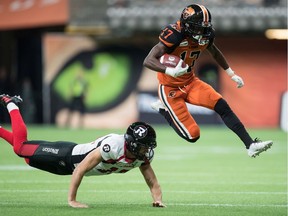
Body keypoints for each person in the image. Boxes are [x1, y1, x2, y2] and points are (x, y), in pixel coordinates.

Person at [143, 4, 272, 158]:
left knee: (222, 106)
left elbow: (215, 52)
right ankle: (163, 109)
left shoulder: (206, 35)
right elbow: (148, 60)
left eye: (203, 27)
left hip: (191, 82)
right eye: (197, 27)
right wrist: (169, 70)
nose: (201, 32)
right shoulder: (174, 34)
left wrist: (231, 73)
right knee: (193, 135)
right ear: (186, 24)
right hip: (170, 88)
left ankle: (250, 145)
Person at [0, 94, 165, 208]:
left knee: (27, 158)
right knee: (21, 148)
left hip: (67, 168)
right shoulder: (113, 146)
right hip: (65, 155)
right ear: (133, 145)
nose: (147, 150)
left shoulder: (143, 157)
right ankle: (11, 102)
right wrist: (72, 200)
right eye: (144, 146)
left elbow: (152, 181)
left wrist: (158, 200)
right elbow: (80, 168)